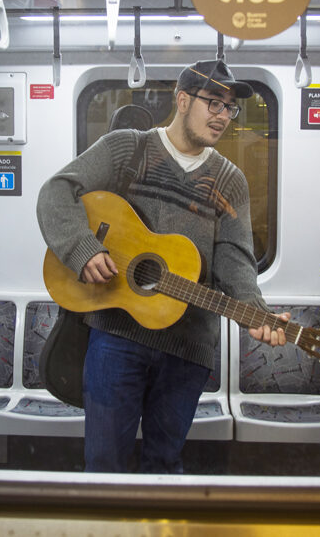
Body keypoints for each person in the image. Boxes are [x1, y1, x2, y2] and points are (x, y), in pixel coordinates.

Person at [36, 59, 288, 473]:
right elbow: (57, 192)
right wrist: (83, 250)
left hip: (188, 347)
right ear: (183, 99)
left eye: (230, 108)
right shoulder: (127, 149)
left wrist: (254, 311)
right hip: (118, 335)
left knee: (164, 464)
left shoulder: (229, 180)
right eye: (214, 103)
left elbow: (236, 258)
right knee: (104, 464)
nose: (223, 116)